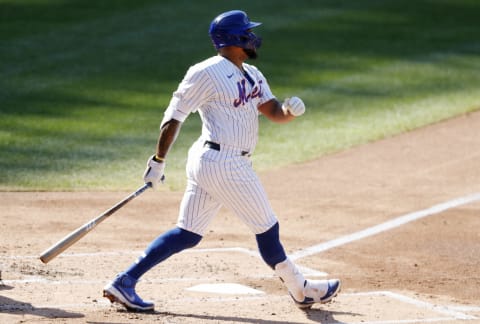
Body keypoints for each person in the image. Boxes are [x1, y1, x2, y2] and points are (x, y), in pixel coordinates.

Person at [103, 9, 340, 312]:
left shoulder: (253, 74)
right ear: (234, 38)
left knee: (187, 233)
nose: (253, 37)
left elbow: (274, 113)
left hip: (213, 162)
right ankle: (301, 289)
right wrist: (158, 160)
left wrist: (290, 111)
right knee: (267, 228)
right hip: (225, 164)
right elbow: (173, 116)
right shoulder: (206, 72)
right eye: (247, 33)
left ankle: (125, 281)